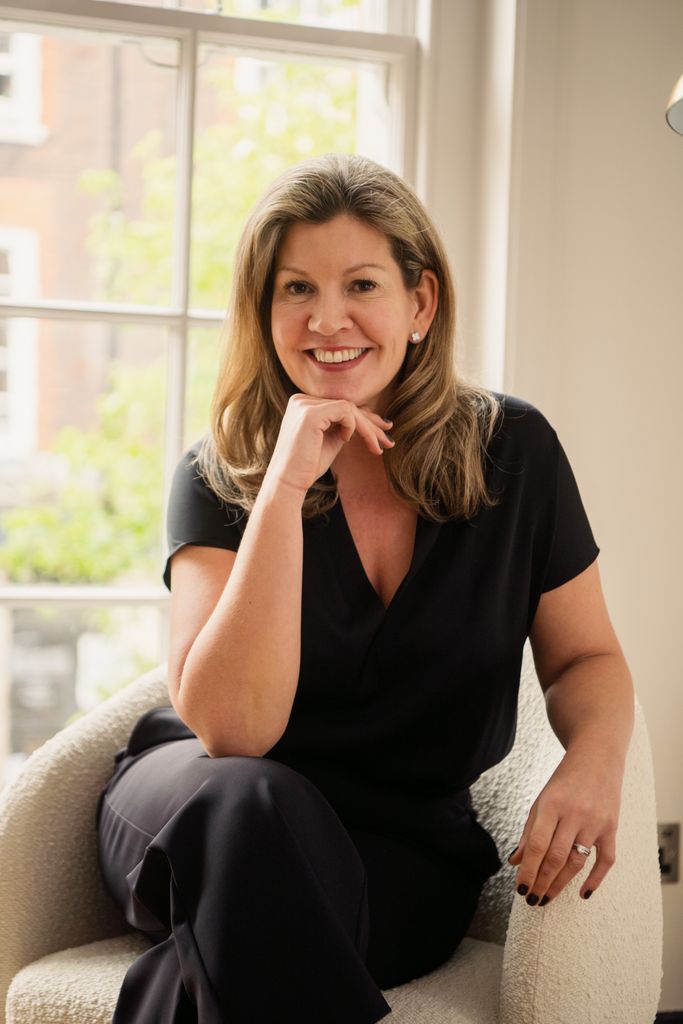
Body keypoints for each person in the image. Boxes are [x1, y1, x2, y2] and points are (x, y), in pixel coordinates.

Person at [96, 153, 634, 1024]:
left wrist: (595, 763)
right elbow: (234, 731)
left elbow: (585, 656)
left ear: (419, 303)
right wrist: (280, 485)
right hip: (197, 804)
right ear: (263, 311)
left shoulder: (515, 452)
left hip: (400, 854)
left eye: (360, 285)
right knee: (256, 801)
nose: (327, 319)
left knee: (217, 965)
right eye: (295, 289)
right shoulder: (218, 472)